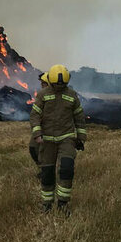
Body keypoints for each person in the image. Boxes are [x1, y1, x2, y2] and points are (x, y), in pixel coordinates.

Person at [29, 64, 87, 215]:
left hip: (66, 138)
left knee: (67, 168)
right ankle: (47, 204)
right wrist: (37, 133)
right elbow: (35, 115)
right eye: (56, 84)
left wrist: (81, 138)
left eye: (62, 85)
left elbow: (79, 117)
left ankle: (63, 204)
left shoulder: (72, 95)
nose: (59, 87)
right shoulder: (42, 95)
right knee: (47, 173)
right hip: (47, 140)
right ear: (51, 81)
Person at [29, 72, 49, 168]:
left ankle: (45, 171)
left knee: (47, 153)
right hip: (41, 128)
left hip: (51, 130)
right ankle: (42, 168)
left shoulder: (56, 97)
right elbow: (35, 114)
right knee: (33, 148)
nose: (41, 85)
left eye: (43, 83)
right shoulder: (41, 95)